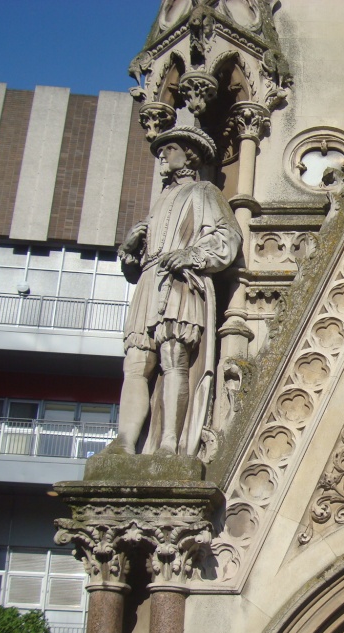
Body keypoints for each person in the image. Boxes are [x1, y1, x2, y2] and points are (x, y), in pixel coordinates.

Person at [105, 125, 241, 457]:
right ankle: (124, 442)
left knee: (173, 359)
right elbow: (133, 269)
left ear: (189, 155)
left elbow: (228, 237)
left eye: (170, 149)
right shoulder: (161, 200)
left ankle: (170, 442)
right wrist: (130, 247)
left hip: (180, 282)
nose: (163, 155)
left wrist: (190, 255)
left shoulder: (204, 191)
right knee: (136, 363)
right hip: (150, 283)